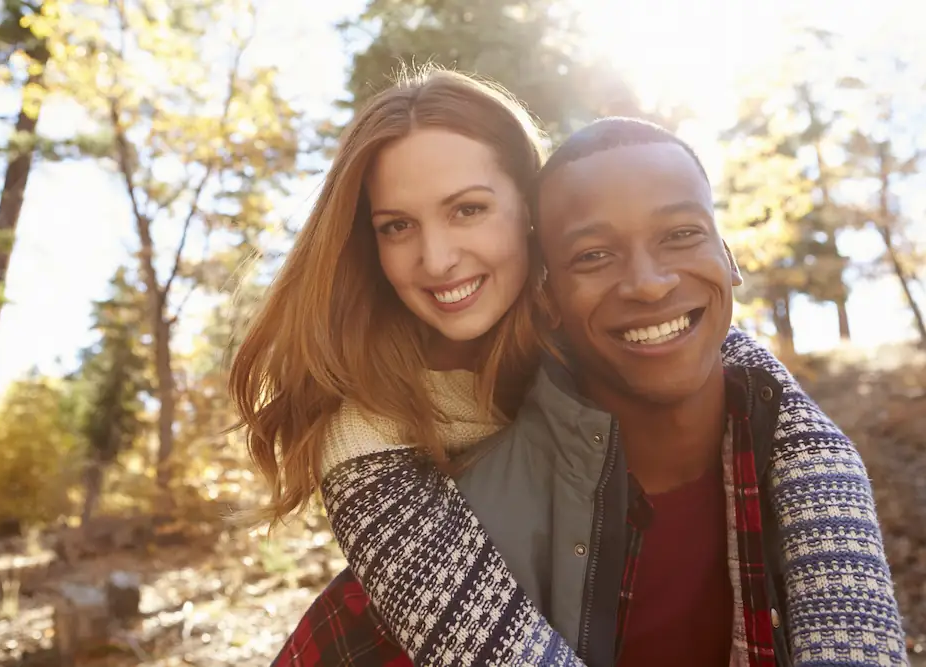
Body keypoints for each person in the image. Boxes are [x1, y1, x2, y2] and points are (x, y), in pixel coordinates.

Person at [269, 117, 908, 666]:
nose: (650, 284)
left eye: (468, 209)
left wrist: (829, 470)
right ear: (546, 289)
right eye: (593, 256)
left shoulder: (776, 437)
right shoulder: (408, 479)